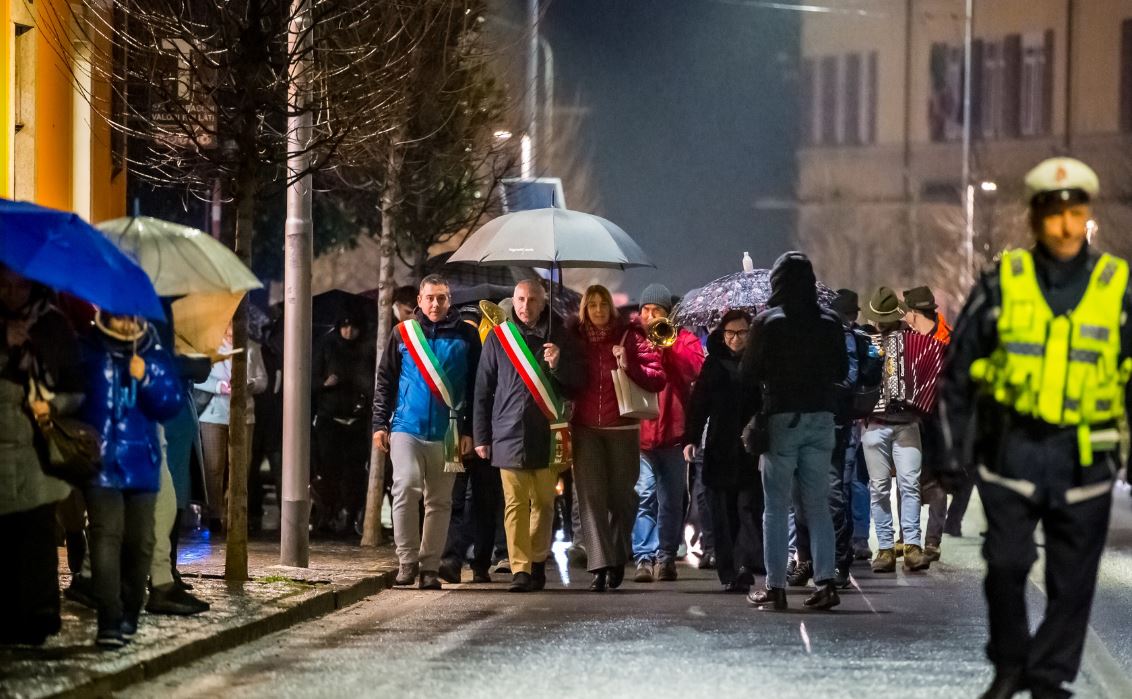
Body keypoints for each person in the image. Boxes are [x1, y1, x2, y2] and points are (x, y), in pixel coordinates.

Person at [940, 157, 1132, 699]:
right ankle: (1010, 662)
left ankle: (1047, 678)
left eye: (1075, 212)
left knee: (1073, 583)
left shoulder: (1117, 286)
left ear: (1086, 216)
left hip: (1086, 456)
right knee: (1005, 564)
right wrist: (952, 452)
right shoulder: (1005, 282)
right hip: (1012, 452)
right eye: (1053, 212)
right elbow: (958, 369)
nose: (1065, 224)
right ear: (1035, 218)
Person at [742, 252, 846, 611]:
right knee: (816, 505)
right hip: (821, 418)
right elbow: (841, 368)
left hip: (782, 418)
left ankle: (776, 586)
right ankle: (827, 581)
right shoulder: (831, 321)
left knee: (776, 505)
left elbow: (748, 373)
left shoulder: (768, 322)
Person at [475, 280, 585, 592]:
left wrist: (559, 364)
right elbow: (483, 389)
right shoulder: (499, 337)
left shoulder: (561, 335)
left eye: (532, 300)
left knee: (545, 505)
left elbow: (578, 383)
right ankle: (520, 569)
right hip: (507, 432)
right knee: (514, 505)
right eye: (520, 299)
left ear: (543, 301)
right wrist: (482, 436)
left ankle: (537, 559)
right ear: (513, 301)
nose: (525, 306)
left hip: (548, 433)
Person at [81, 311, 182, 647]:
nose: (125, 323)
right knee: (105, 538)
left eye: (131, 316)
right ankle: (108, 620)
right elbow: (72, 396)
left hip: (142, 463)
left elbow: (171, 404)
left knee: (141, 543)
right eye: (118, 316)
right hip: (101, 464)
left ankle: (129, 611)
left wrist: (148, 377)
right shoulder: (89, 349)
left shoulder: (153, 352)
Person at [372, 275, 479, 590]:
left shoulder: (466, 336)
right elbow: (385, 380)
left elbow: (476, 387)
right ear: (418, 300)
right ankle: (407, 562)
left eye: (441, 298)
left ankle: (430, 567)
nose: (435, 304)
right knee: (405, 487)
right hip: (406, 427)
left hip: (449, 432)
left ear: (450, 300)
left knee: (440, 501)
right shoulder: (403, 334)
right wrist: (379, 424)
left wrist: (470, 430)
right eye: (430, 298)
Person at [0, 267, 83, 645]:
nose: (12, 293)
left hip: (38, 453)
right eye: (4, 284)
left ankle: (40, 615)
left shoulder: (53, 325)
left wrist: (49, 403)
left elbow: (74, 387)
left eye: (19, 285)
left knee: (36, 535)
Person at [571, 285, 665, 592]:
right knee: (591, 497)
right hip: (586, 430)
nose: (598, 310)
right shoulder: (575, 340)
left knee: (623, 499)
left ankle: (617, 553)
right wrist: (558, 359)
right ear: (585, 309)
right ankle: (600, 565)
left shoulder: (631, 337)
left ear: (611, 308)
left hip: (623, 429)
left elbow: (657, 377)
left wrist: (629, 364)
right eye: (592, 304)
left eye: (603, 304)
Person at [683, 309, 763, 593]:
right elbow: (699, 403)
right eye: (730, 333)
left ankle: (746, 564)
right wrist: (690, 438)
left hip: (750, 448)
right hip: (719, 447)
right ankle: (729, 570)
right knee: (722, 513)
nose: (735, 339)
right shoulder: (714, 364)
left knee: (747, 508)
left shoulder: (757, 362)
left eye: (741, 333)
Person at [633, 283, 704, 583]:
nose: (650, 316)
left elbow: (697, 369)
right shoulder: (632, 340)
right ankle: (643, 557)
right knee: (645, 495)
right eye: (646, 311)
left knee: (672, 499)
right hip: (640, 432)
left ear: (668, 314)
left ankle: (665, 556)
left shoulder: (682, 338)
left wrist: (669, 344)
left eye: (656, 311)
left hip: (673, 432)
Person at [861, 287, 932, 574]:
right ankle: (886, 548)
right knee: (879, 487)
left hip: (907, 423)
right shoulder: (865, 342)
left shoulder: (915, 341)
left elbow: (931, 373)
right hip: (875, 424)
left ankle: (912, 545)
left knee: (909, 483)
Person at [194, 323, 267, 533]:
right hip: (214, 413)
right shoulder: (210, 346)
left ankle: (236, 512)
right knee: (213, 466)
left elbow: (263, 380)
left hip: (245, 415)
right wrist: (219, 386)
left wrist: (249, 384)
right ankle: (214, 513)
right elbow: (198, 378)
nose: (232, 331)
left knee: (242, 465)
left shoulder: (252, 347)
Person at [313, 309, 376, 535]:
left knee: (355, 473)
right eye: (344, 327)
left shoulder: (366, 350)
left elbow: (371, 384)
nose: (348, 332)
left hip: (356, 421)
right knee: (330, 471)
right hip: (330, 419)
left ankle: (351, 516)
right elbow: (311, 379)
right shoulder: (327, 346)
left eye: (353, 327)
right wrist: (324, 383)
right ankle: (328, 515)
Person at [902, 285, 952, 563]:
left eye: (906, 311)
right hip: (911, 417)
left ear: (914, 312)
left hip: (939, 420)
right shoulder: (903, 337)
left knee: (938, 480)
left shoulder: (949, 339)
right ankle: (906, 538)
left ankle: (932, 540)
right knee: (908, 477)